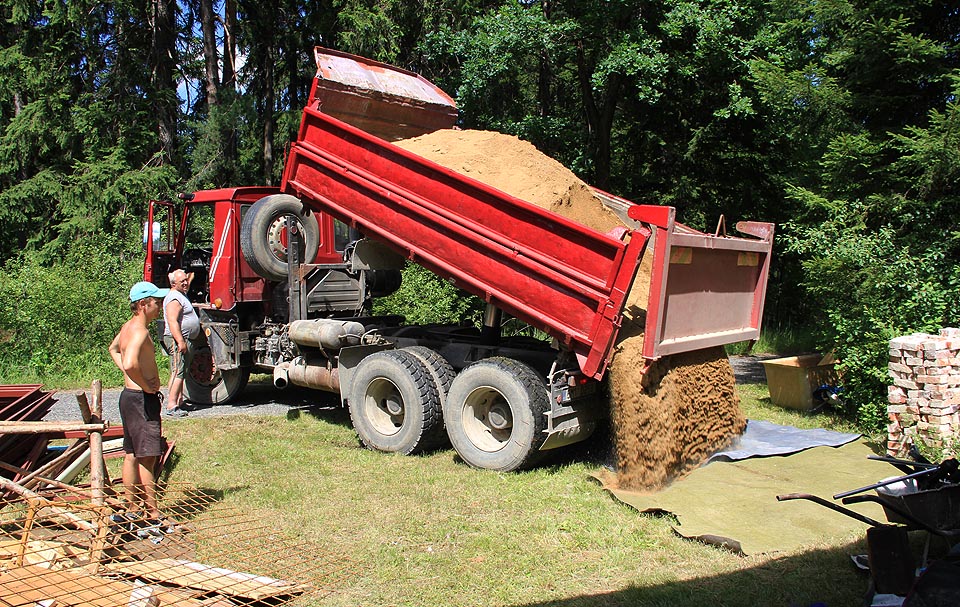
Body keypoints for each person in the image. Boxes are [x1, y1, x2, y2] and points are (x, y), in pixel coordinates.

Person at [108, 281, 169, 526]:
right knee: (147, 457)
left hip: (129, 397)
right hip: (141, 400)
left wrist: (132, 378)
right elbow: (130, 362)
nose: (159, 306)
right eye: (156, 302)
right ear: (143, 304)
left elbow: (113, 349)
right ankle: (153, 514)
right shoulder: (140, 331)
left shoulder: (128, 327)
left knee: (132, 454)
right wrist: (145, 386)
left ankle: (132, 508)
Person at [162, 269, 200, 417]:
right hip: (176, 339)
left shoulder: (180, 294)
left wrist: (191, 274)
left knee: (182, 371)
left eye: (186, 280)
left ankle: (179, 401)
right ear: (173, 284)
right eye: (182, 281)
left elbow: (189, 279)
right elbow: (172, 321)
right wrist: (180, 341)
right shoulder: (174, 298)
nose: (185, 283)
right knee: (178, 371)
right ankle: (171, 406)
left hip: (183, 338)